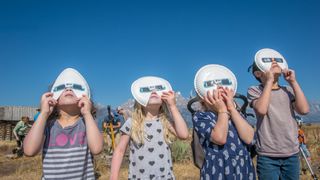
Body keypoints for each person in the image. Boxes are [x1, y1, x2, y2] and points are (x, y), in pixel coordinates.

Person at [23, 68, 103, 179]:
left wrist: (87, 114)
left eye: (75, 87)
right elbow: (29, 150)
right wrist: (44, 113)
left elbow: (97, 149)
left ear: (85, 96)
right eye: (62, 88)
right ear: (54, 96)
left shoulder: (86, 123)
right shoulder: (47, 125)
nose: (68, 89)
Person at [247, 49, 309, 179]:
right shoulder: (255, 90)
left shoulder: (288, 90)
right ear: (258, 73)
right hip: (267, 155)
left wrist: (293, 82)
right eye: (269, 62)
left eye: (276, 61)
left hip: (291, 153)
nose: (274, 62)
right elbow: (261, 109)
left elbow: (304, 110)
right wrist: (269, 81)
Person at [110, 76, 189, 179]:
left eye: (157, 90)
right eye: (147, 90)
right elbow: (120, 150)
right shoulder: (131, 123)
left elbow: (184, 135)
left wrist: (173, 106)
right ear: (140, 100)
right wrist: (113, 176)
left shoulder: (166, 121)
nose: (153, 92)